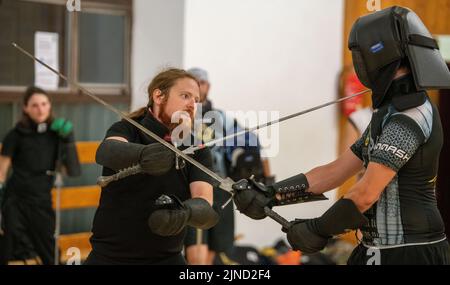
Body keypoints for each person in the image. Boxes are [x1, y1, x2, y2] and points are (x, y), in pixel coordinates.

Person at [232, 6, 450, 265]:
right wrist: (271, 194)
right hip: (379, 248)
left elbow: (366, 193)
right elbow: (336, 170)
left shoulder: (409, 116)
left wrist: (318, 229)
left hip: (411, 252)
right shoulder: (389, 113)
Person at [85, 68, 219, 265]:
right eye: (185, 96)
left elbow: (205, 204)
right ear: (158, 96)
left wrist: (186, 213)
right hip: (111, 256)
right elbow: (107, 150)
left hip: (167, 258)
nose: (192, 105)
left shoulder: (196, 148)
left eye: (196, 100)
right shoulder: (127, 128)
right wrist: (143, 154)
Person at [184, 67, 272, 265]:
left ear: (208, 86)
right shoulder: (180, 116)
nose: (198, 86)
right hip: (192, 187)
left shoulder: (222, 118)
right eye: (193, 82)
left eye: (202, 82)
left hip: (221, 187)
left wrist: (266, 179)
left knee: (218, 244)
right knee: (196, 247)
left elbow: (252, 142)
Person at [0, 86, 80, 265]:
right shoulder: (15, 135)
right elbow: (1, 172)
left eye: (44, 104)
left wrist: (69, 139)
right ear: (25, 108)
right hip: (15, 200)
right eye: (34, 105)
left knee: (50, 254)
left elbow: (73, 172)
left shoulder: (56, 135)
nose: (40, 109)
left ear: (50, 105)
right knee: (7, 245)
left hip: (41, 202)